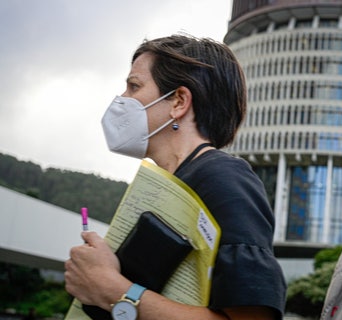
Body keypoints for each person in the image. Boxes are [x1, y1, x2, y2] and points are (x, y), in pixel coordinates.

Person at [64, 34, 286, 319]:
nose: (121, 99)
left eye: (134, 86)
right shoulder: (167, 185)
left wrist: (112, 289)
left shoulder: (222, 178)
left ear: (179, 101)